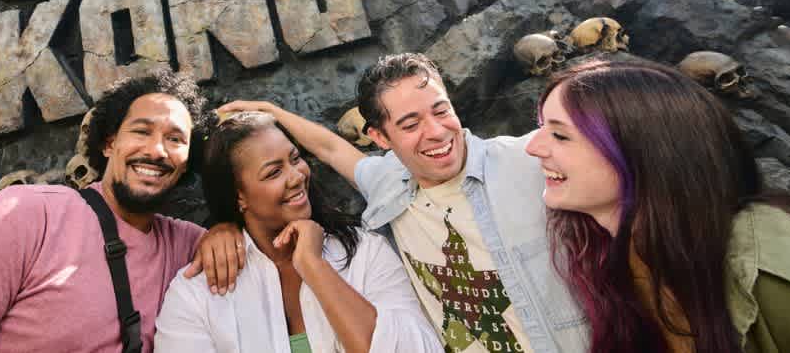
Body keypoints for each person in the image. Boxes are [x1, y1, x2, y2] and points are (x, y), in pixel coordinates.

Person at [218, 53, 588, 353]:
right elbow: (330, 148)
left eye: (441, 111)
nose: (436, 132)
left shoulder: (528, 161)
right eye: (411, 125)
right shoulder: (389, 184)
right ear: (380, 138)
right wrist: (270, 112)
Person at [0, 70, 241, 353]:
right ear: (109, 143)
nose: (157, 150)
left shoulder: (187, 246)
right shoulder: (26, 214)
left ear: (187, 160)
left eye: (175, 139)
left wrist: (226, 227)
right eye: (141, 131)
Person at [524, 59, 790, 353]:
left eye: (560, 135)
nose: (532, 147)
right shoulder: (606, 260)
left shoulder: (772, 276)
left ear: (647, 151)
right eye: (541, 127)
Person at [155, 112, 441, 352]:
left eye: (295, 159)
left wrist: (314, 266)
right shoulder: (195, 293)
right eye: (273, 172)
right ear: (238, 196)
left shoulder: (366, 253)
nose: (296, 176)